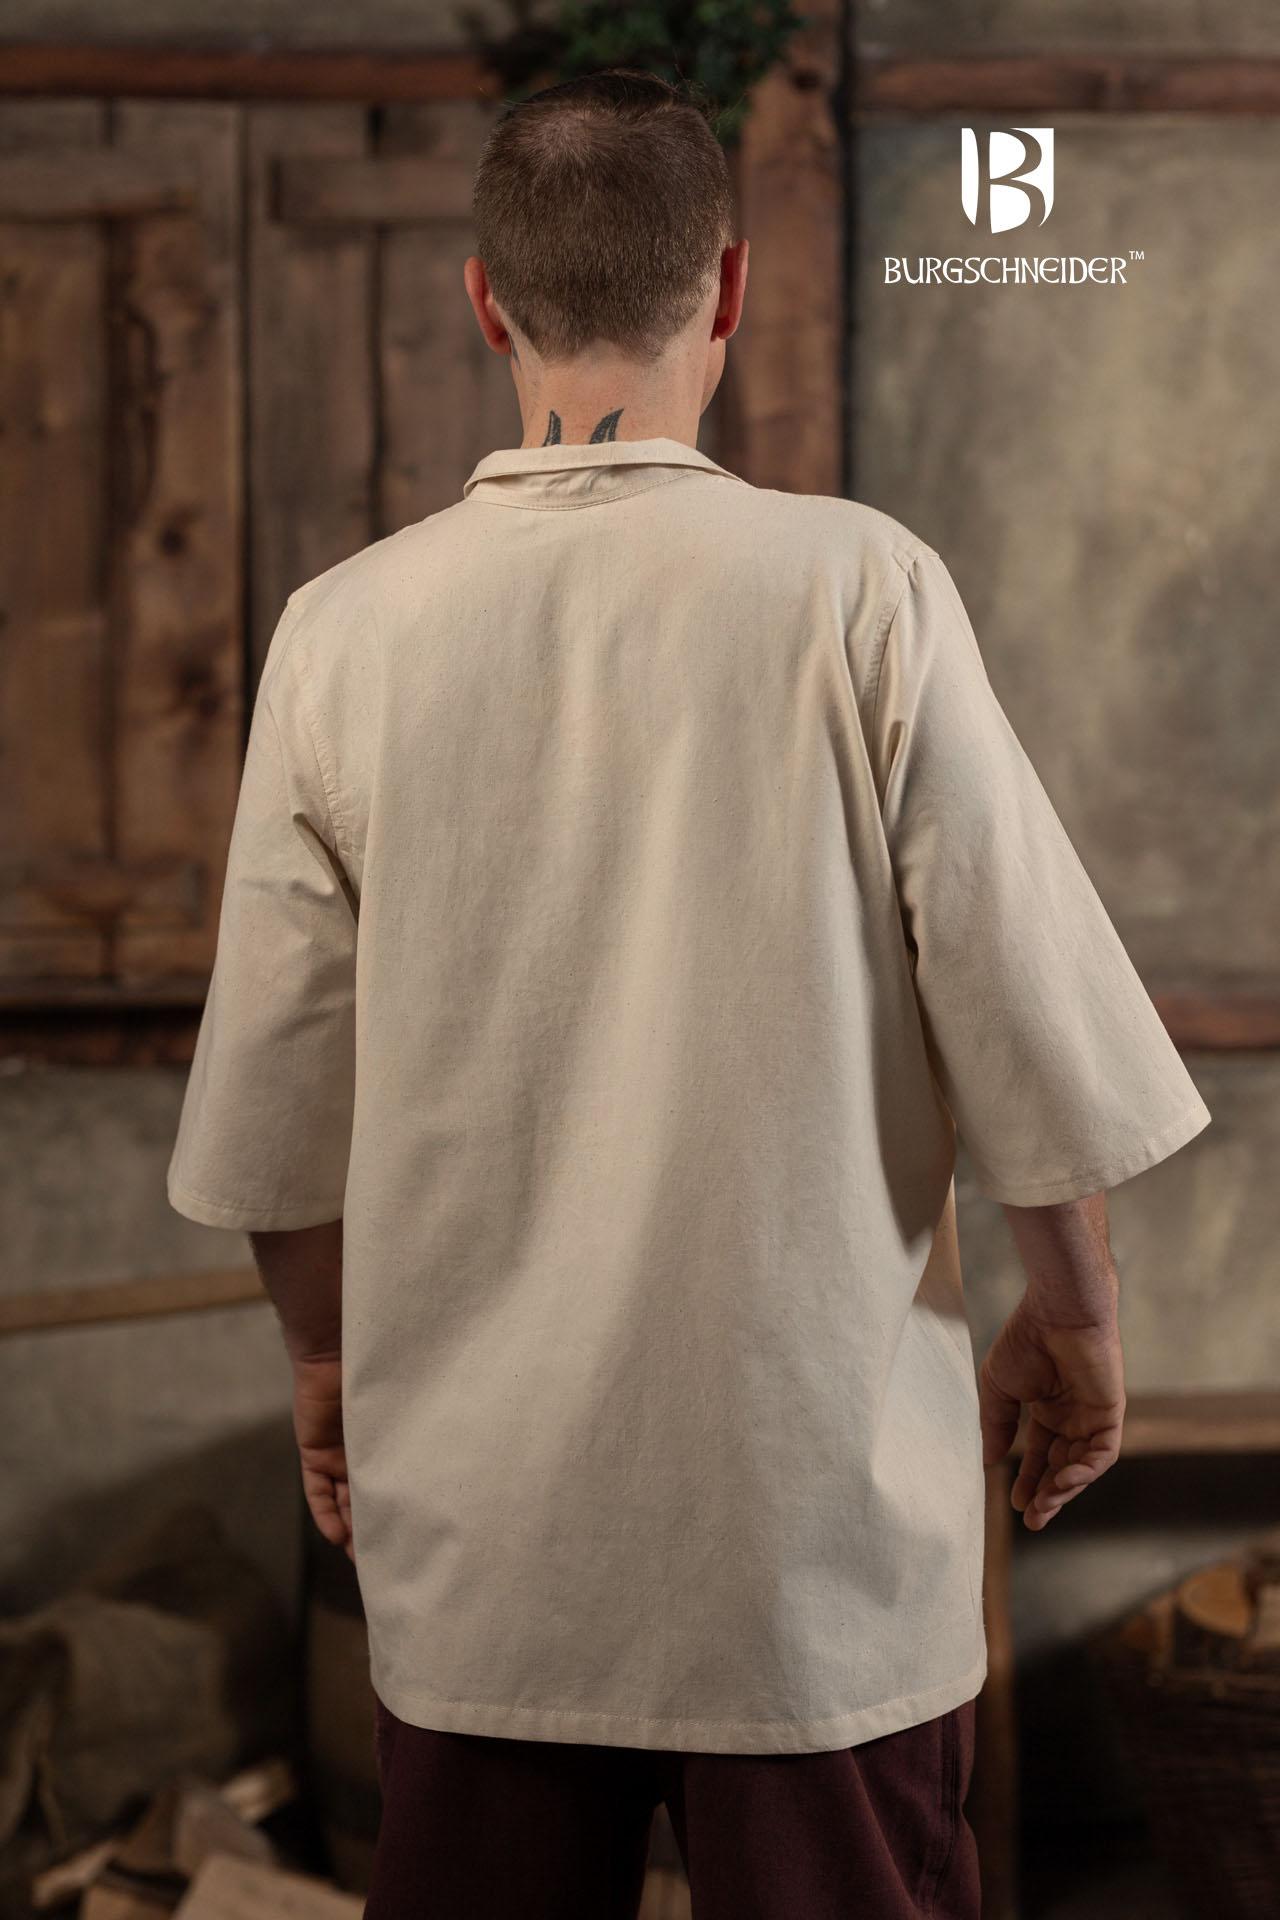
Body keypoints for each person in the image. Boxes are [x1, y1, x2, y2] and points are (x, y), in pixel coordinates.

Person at [167, 68, 1212, 1920]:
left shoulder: (345, 635)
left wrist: (325, 1365)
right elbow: (1023, 1010)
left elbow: (272, 1106)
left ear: (484, 302)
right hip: (809, 1546)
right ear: (726, 286)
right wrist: (1079, 1318)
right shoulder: (860, 590)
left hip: (487, 1536)